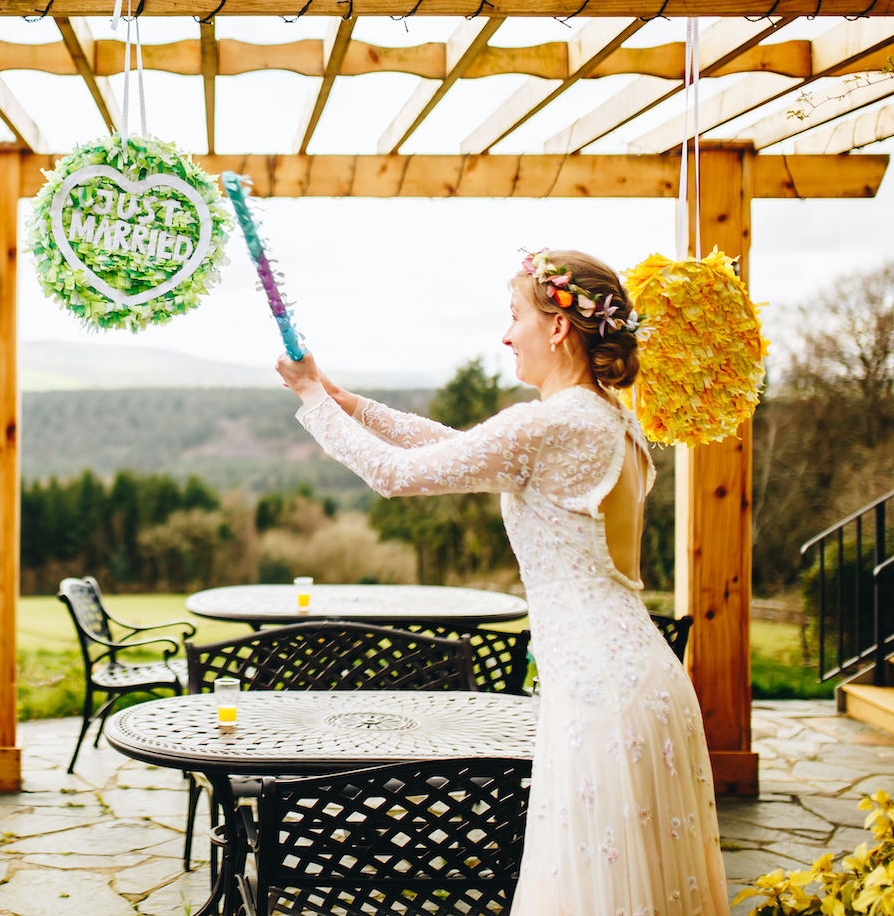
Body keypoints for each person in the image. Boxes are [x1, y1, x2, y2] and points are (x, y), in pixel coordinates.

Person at [276, 249, 729, 916]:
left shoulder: (549, 423)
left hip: (601, 698)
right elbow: (444, 442)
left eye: (514, 315)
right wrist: (343, 398)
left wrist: (313, 402)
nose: (505, 332)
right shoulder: (607, 421)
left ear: (558, 327)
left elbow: (396, 474)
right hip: (640, 681)